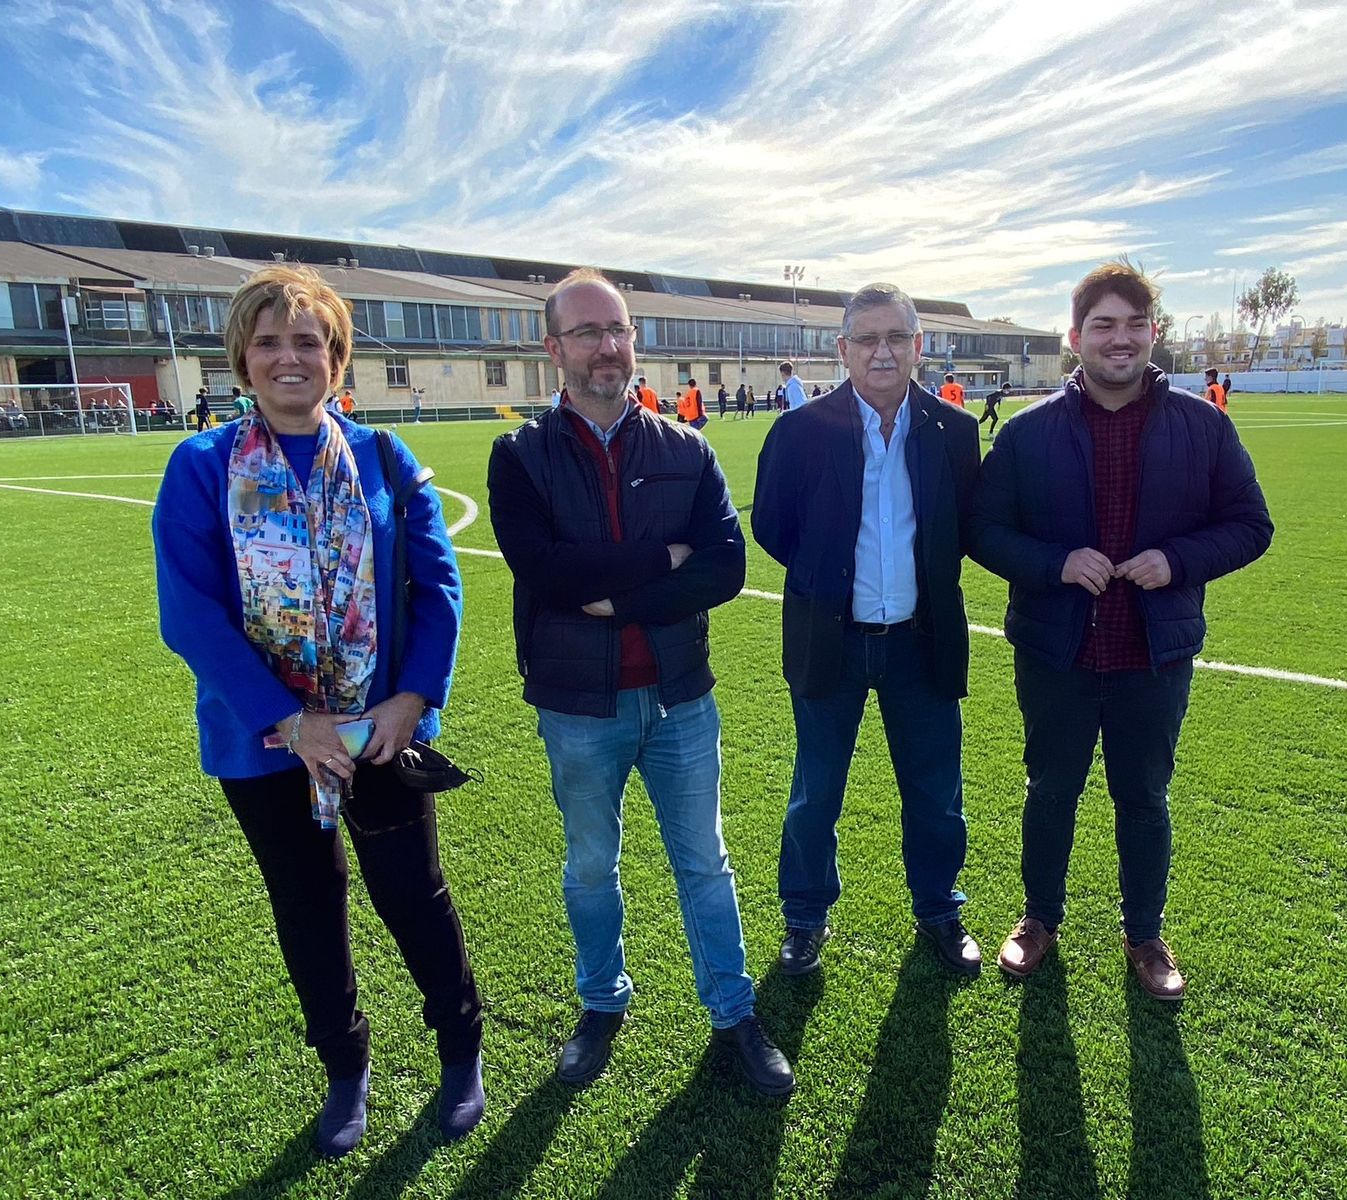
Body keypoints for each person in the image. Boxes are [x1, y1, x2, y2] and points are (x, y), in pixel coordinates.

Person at [151, 265, 484, 1156]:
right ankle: (346, 1068)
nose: (289, 358)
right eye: (269, 342)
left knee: (411, 892)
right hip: (263, 742)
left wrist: (415, 697)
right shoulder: (200, 466)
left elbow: (440, 583)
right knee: (307, 902)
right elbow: (189, 612)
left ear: (337, 359)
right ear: (242, 359)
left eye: (309, 342)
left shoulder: (383, 457)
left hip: (382, 732)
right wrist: (293, 722)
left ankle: (460, 1050)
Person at [487, 268, 793, 1097]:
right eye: (587, 332)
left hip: (680, 697)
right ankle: (601, 1003)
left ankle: (733, 1012)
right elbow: (544, 572)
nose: (608, 346)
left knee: (707, 866)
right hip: (579, 706)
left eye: (618, 329)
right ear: (553, 349)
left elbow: (725, 567)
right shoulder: (520, 454)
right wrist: (662, 561)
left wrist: (614, 594)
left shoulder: (684, 447)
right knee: (591, 867)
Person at [968, 260, 1273, 997]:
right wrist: (1055, 563)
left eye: (1134, 323)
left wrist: (1177, 560)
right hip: (1057, 651)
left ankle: (1145, 936)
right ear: (1076, 338)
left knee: (1143, 798)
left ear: (1153, 333)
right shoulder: (1030, 431)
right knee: (1051, 789)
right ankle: (1039, 919)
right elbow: (982, 529)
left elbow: (1251, 525)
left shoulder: (1203, 424)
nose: (1120, 338)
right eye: (1103, 324)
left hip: (1153, 653)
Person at [752, 283, 983, 979]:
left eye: (896, 339)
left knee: (937, 790)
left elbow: (965, 526)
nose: (882, 352)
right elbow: (772, 525)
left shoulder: (954, 431)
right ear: (843, 348)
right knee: (815, 792)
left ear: (919, 346)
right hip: (832, 641)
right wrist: (828, 579)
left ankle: (940, 908)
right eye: (867, 339)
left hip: (922, 641)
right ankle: (804, 918)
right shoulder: (801, 429)